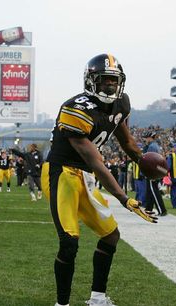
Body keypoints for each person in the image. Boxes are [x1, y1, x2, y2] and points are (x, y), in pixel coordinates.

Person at [41, 53, 159, 306]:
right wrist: (124, 198)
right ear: (91, 81)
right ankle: (61, 304)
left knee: (110, 235)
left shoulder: (121, 104)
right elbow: (95, 161)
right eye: (104, 80)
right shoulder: (75, 109)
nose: (110, 85)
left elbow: (126, 140)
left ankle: (97, 298)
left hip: (86, 175)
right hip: (61, 172)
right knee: (69, 241)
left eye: (114, 81)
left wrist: (142, 161)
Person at [142, 131, 167, 216]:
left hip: (153, 171)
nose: (145, 139)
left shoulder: (152, 147)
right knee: (150, 190)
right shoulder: (153, 146)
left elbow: (150, 161)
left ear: (150, 138)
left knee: (154, 190)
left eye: (146, 138)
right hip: (156, 170)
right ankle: (149, 209)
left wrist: (150, 173)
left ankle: (162, 210)